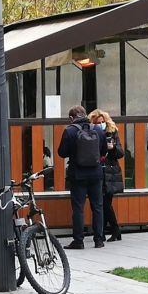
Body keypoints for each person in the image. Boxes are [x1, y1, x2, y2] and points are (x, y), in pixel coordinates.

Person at [57, 105, 107, 249]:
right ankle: (99, 240)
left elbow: (61, 153)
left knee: (78, 208)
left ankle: (78, 241)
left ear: (72, 118)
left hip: (77, 175)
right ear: (85, 114)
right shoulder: (98, 129)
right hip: (96, 174)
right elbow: (103, 151)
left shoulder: (69, 131)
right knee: (97, 207)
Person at [89, 109, 125, 242]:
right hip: (99, 171)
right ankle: (105, 231)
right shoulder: (91, 133)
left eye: (103, 122)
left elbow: (120, 153)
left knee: (105, 203)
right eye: (98, 122)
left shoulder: (112, 132)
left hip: (110, 172)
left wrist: (113, 148)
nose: (101, 124)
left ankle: (114, 230)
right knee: (101, 204)